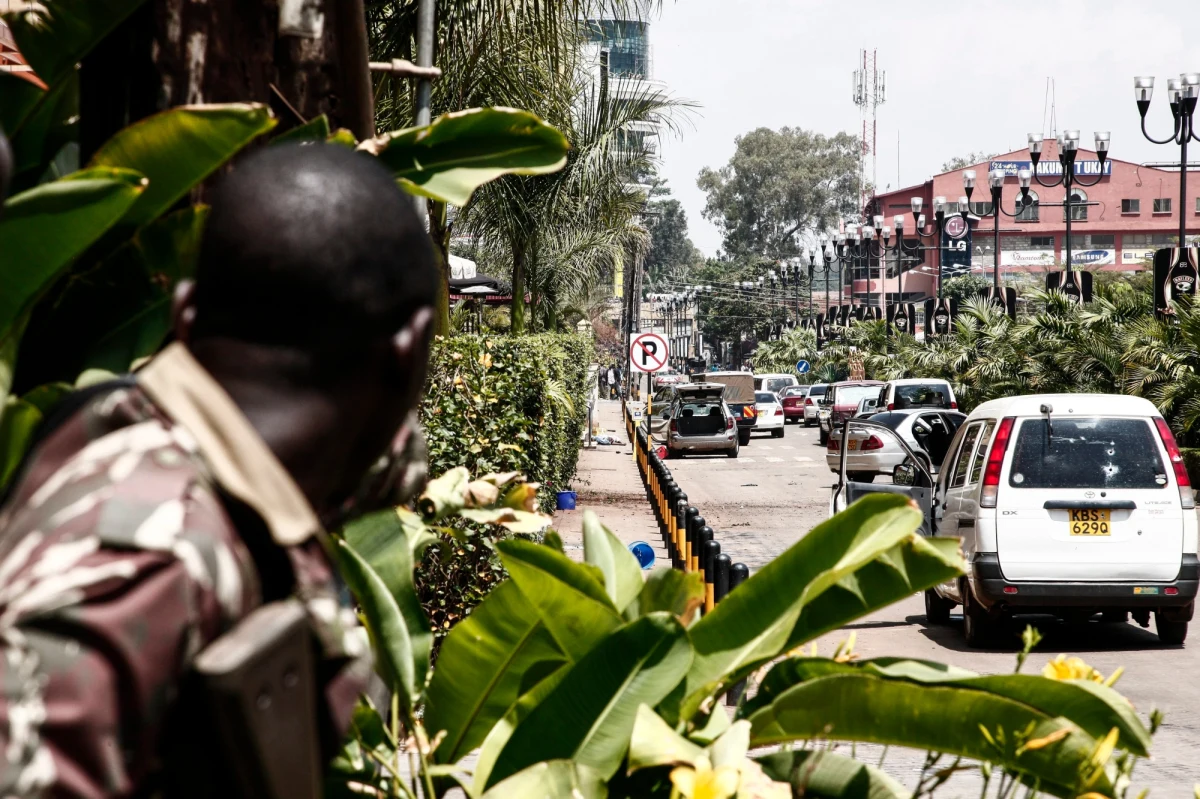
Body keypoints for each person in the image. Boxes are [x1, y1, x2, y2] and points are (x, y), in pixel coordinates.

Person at [0, 143, 438, 796]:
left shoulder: (160, 434)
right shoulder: (146, 560)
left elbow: (395, 459)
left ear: (183, 315)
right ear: (406, 356)